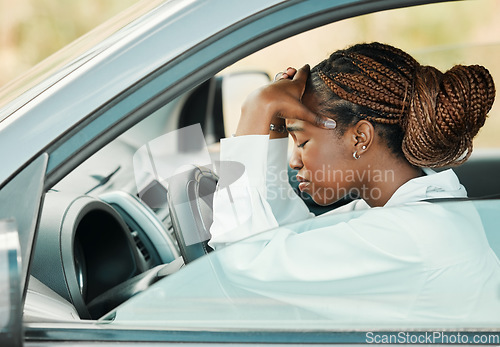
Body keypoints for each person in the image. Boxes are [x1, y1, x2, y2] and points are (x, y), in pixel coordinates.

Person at [208, 42, 500, 324]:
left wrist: (255, 110)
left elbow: (241, 260)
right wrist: (271, 128)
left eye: (303, 141)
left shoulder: (407, 235)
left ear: (360, 138)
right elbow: (290, 236)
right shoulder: (416, 210)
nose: (294, 161)